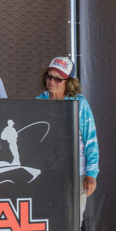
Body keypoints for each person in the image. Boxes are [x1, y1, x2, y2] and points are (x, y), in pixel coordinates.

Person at [34, 56, 99, 222]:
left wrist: (91, 174)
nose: (51, 82)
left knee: (72, 222)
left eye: (58, 79)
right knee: (46, 220)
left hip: (75, 174)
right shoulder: (37, 103)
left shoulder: (79, 103)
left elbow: (91, 140)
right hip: (45, 174)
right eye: (49, 76)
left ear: (69, 82)